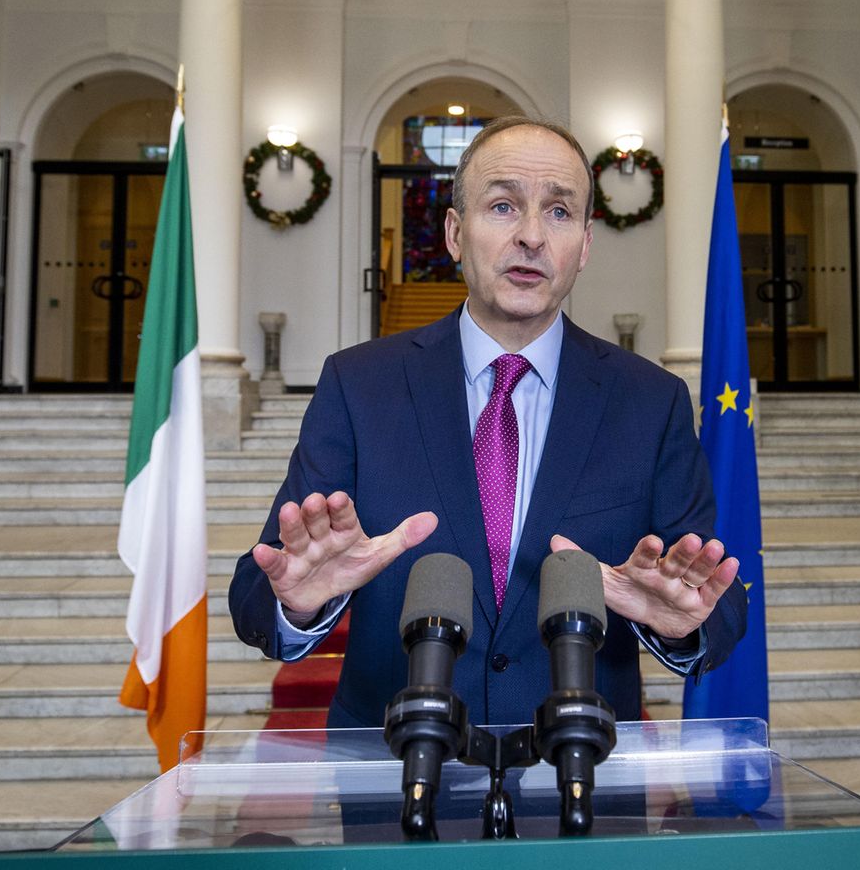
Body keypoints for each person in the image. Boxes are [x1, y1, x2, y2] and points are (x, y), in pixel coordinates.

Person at [229, 116, 748, 730]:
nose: (531, 236)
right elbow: (258, 595)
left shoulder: (651, 401)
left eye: (559, 213)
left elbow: (716, 601)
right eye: (503, 206)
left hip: (580, 771)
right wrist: (301, 604)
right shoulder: (359, 386)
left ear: (583, 245)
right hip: (396, 772)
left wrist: (685, 623)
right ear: (454, 232)